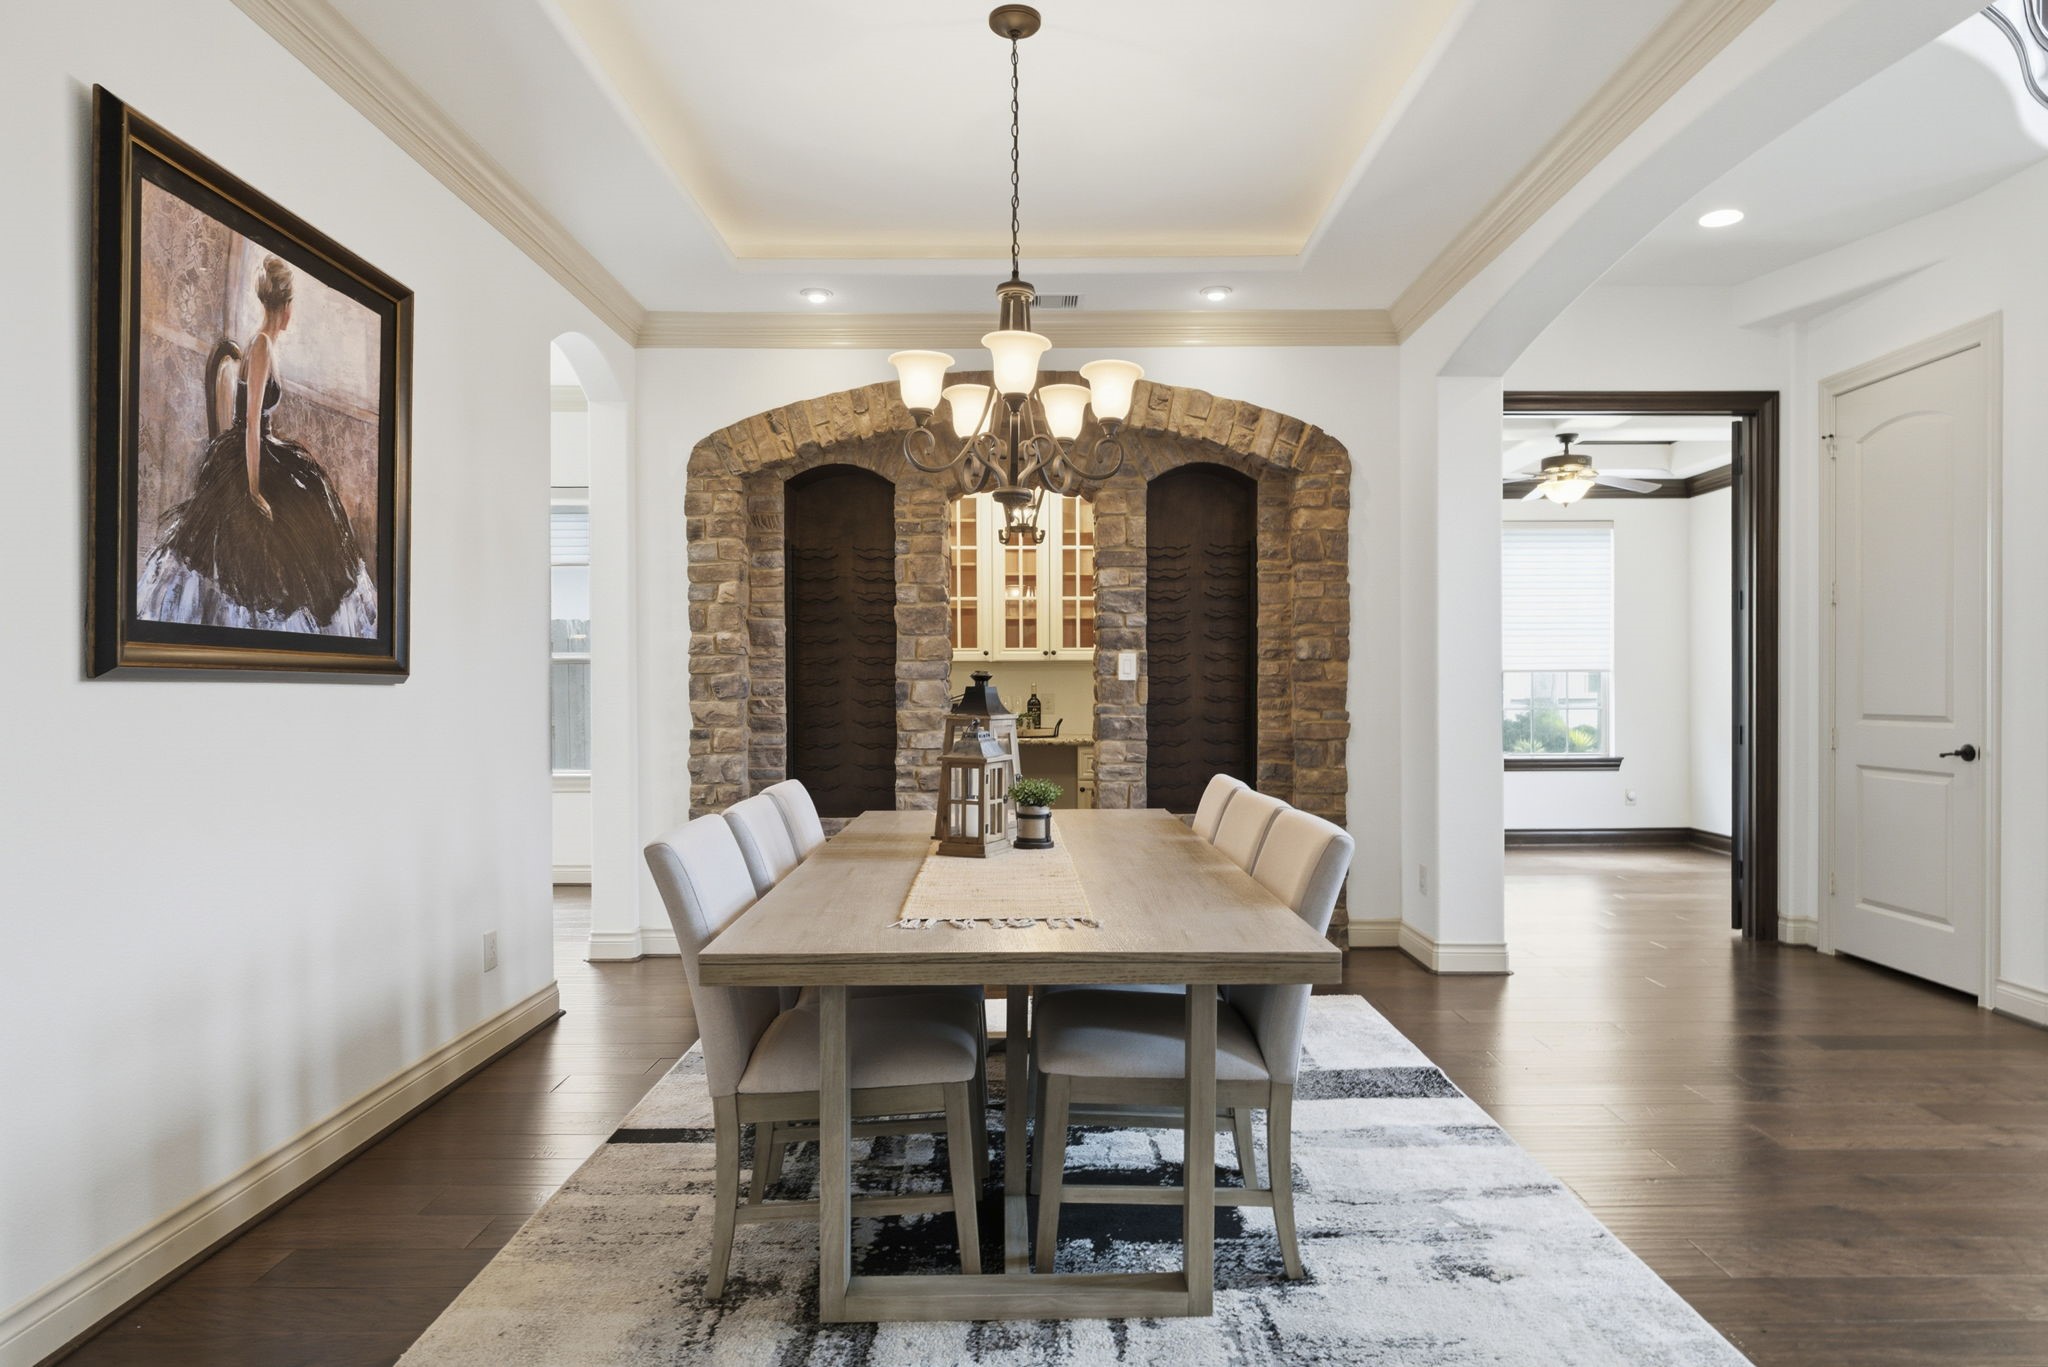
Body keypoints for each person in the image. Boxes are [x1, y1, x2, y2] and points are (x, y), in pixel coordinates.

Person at [139, 255, 376, 636]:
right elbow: (250, 422)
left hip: (260, 445)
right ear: (286, 307)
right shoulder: (263, 344)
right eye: (292, 306)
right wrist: (253, 488)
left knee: (311, 507)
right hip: (250, 451)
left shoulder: (265, 344)